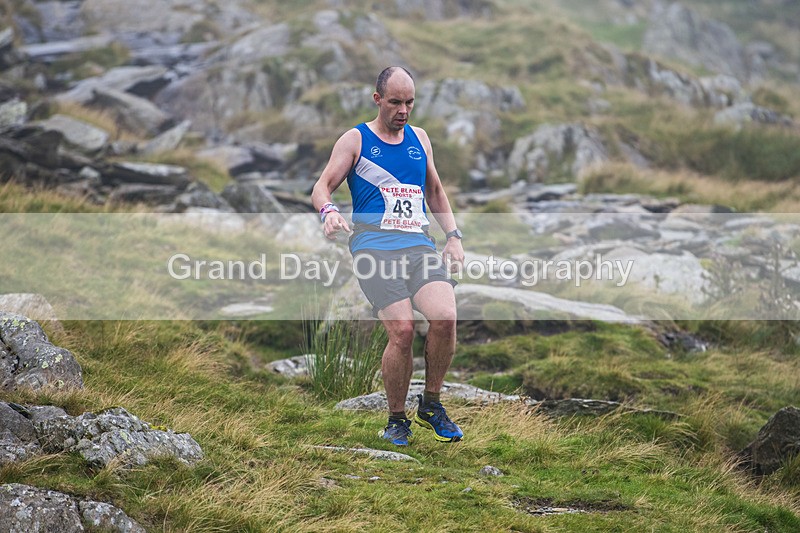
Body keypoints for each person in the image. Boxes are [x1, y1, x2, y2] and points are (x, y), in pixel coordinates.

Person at [311, 66, 465, 446]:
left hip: (418, 246)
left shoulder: (420, 138)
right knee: (403, 331)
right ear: (377, 99)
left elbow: (435, 192)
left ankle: (431, 404)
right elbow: (322, 186)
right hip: (374, 249)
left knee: (445, 318)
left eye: (410, 102)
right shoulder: (356, 140)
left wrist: (454, 236)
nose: (403, 110)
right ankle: (397, 419)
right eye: (395, 102)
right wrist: (328, 212)